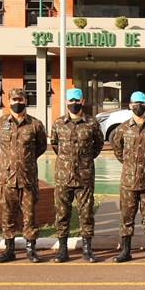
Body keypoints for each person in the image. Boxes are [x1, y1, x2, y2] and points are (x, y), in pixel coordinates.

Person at [0, 87, 48, 263]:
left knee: (30, 215)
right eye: (14, 100)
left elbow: (41, 146)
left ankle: (31, 250)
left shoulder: (35, 124)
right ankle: (9, 250)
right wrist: (7, 162)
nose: (17, 103)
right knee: (8, 215)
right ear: (9, 102)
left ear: (25, 101)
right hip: (7, 179)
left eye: (20, 100)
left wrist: (26, 161)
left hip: (27, 179)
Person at [111, 91, 145, 262]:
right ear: (129, 105)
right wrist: (131, 166)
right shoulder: (122, 129)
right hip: (128, 181)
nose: (138, 106)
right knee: (126, 216)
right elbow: (118, 151)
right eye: (135, 103)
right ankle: (125, 251)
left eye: (141, 103)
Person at [49, 87, 104, 263]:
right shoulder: (58, 123)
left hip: (84, 176)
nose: (74, 104)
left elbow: (99, 144)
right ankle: (62, 249)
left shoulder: (91, 123)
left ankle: (87, 249)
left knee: (86, 213)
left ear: (82, 101)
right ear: (66, 102)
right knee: (62, 213)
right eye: (70, 101)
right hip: (63, 176)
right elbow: (55, 145)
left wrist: (85, 160)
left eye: (76, 100)